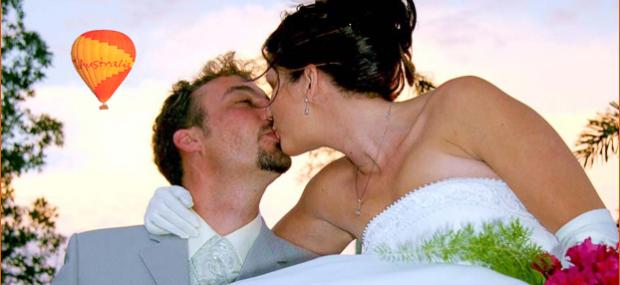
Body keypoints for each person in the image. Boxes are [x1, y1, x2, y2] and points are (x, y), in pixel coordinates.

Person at [145, 1, 618, 284]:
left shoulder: (461, 106)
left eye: (274, 87)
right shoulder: (329, 193)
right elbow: (249, 275)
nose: (268, 109)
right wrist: (184, 217)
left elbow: (595, 243)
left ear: (308, 82)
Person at [52, 53, 316, 285]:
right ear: (190, 140)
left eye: (268, 101)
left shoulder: (311, 271)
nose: (271, 112)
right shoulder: (92, 259)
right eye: (244, 102)